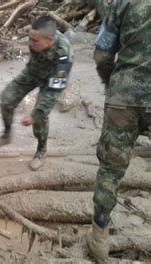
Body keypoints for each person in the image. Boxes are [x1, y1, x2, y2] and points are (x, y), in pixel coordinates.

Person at [86, 1, 150, 262]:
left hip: (123, 98)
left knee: (110, 170)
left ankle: (99, 238)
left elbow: (102, 53)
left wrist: (111, 82)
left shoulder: (124, 3)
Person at [0, 16, 73, 171]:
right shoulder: (36, 39)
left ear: (50, 39)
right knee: (6, 99)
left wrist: (35, 115)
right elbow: (32, 60)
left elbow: (54, 91)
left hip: (51, 81)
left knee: (40, 117)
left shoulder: (63, 54)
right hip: (33, 72)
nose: (31, 44)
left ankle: (41, 150)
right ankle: (6, 135)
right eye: (30, 39)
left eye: (35, 41)